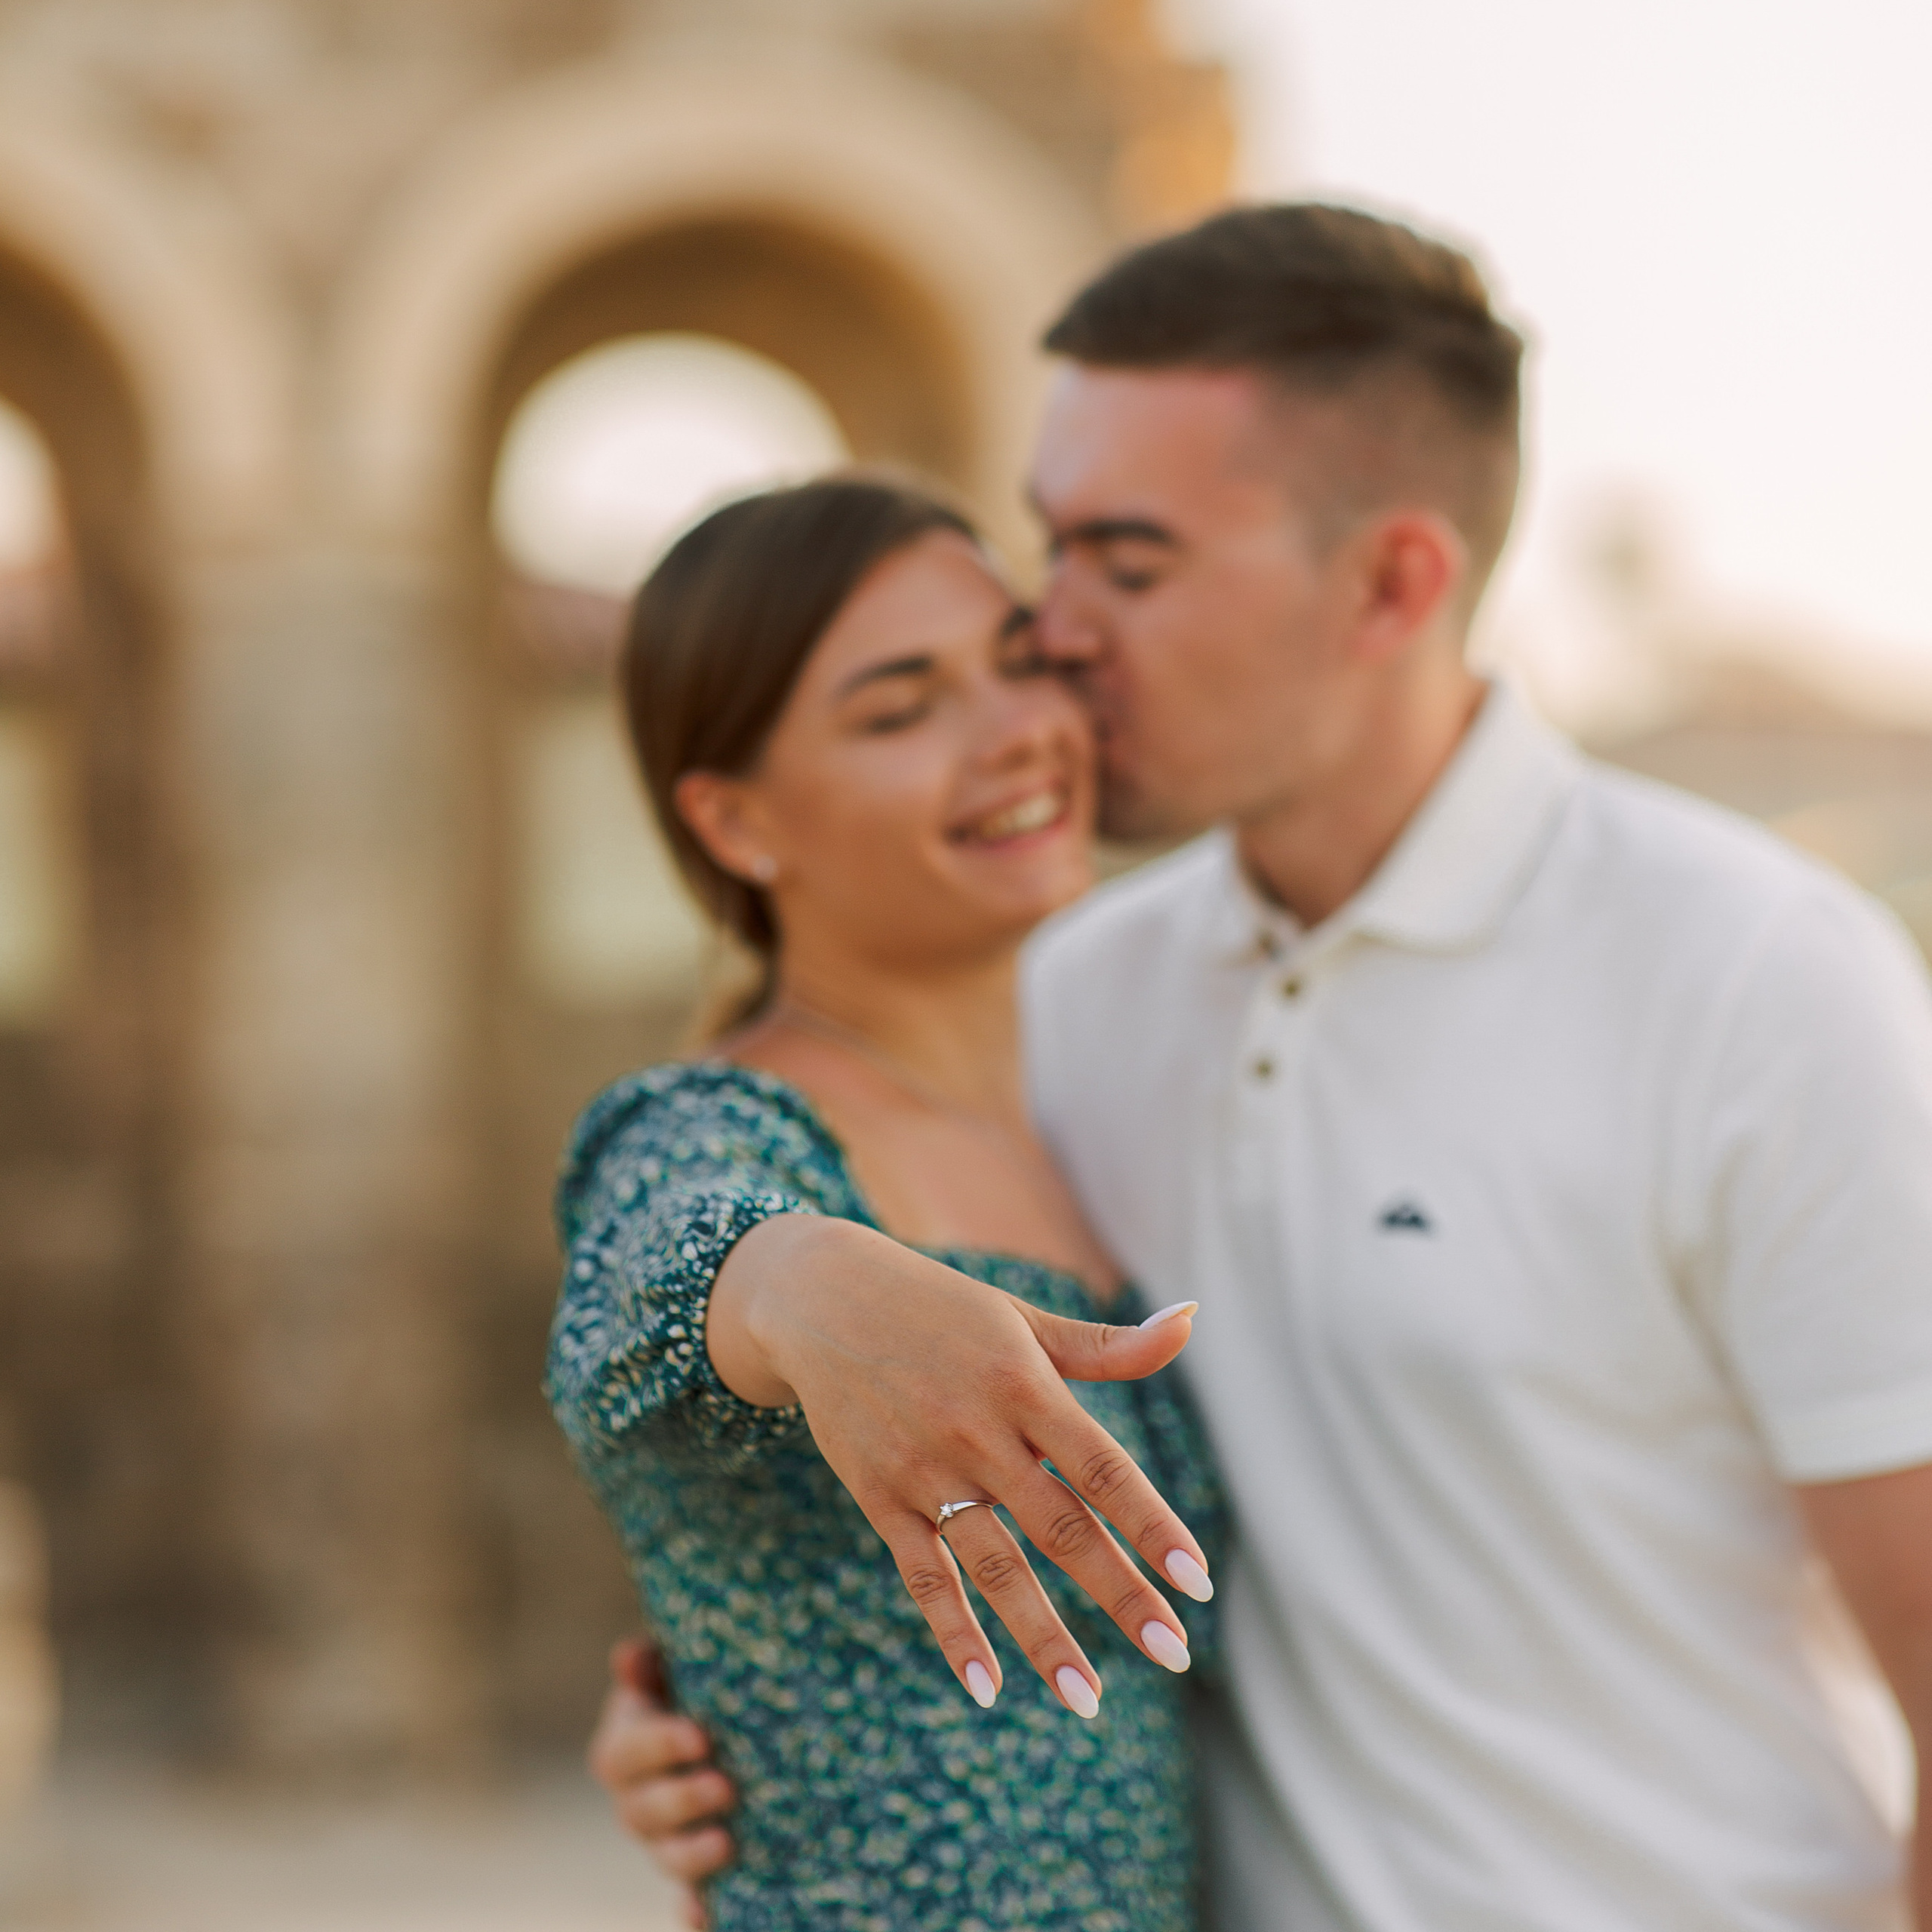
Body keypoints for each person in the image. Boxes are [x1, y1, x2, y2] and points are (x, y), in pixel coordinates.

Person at [586, 205, 1932, 1931]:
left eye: (1125, 566)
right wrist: (739, 1714)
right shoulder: (1074, 996)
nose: (1048, 632)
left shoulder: (1753, 976)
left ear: (1389, 582)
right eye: (1048, 545)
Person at [546, 475, 1228, 1932]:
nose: (1016, 734)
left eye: (1022, 662)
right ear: (736, 821)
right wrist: (797, 1280)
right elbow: (660, 1244)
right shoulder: (732, 1125)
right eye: (901, 706)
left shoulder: (1114, 1094)